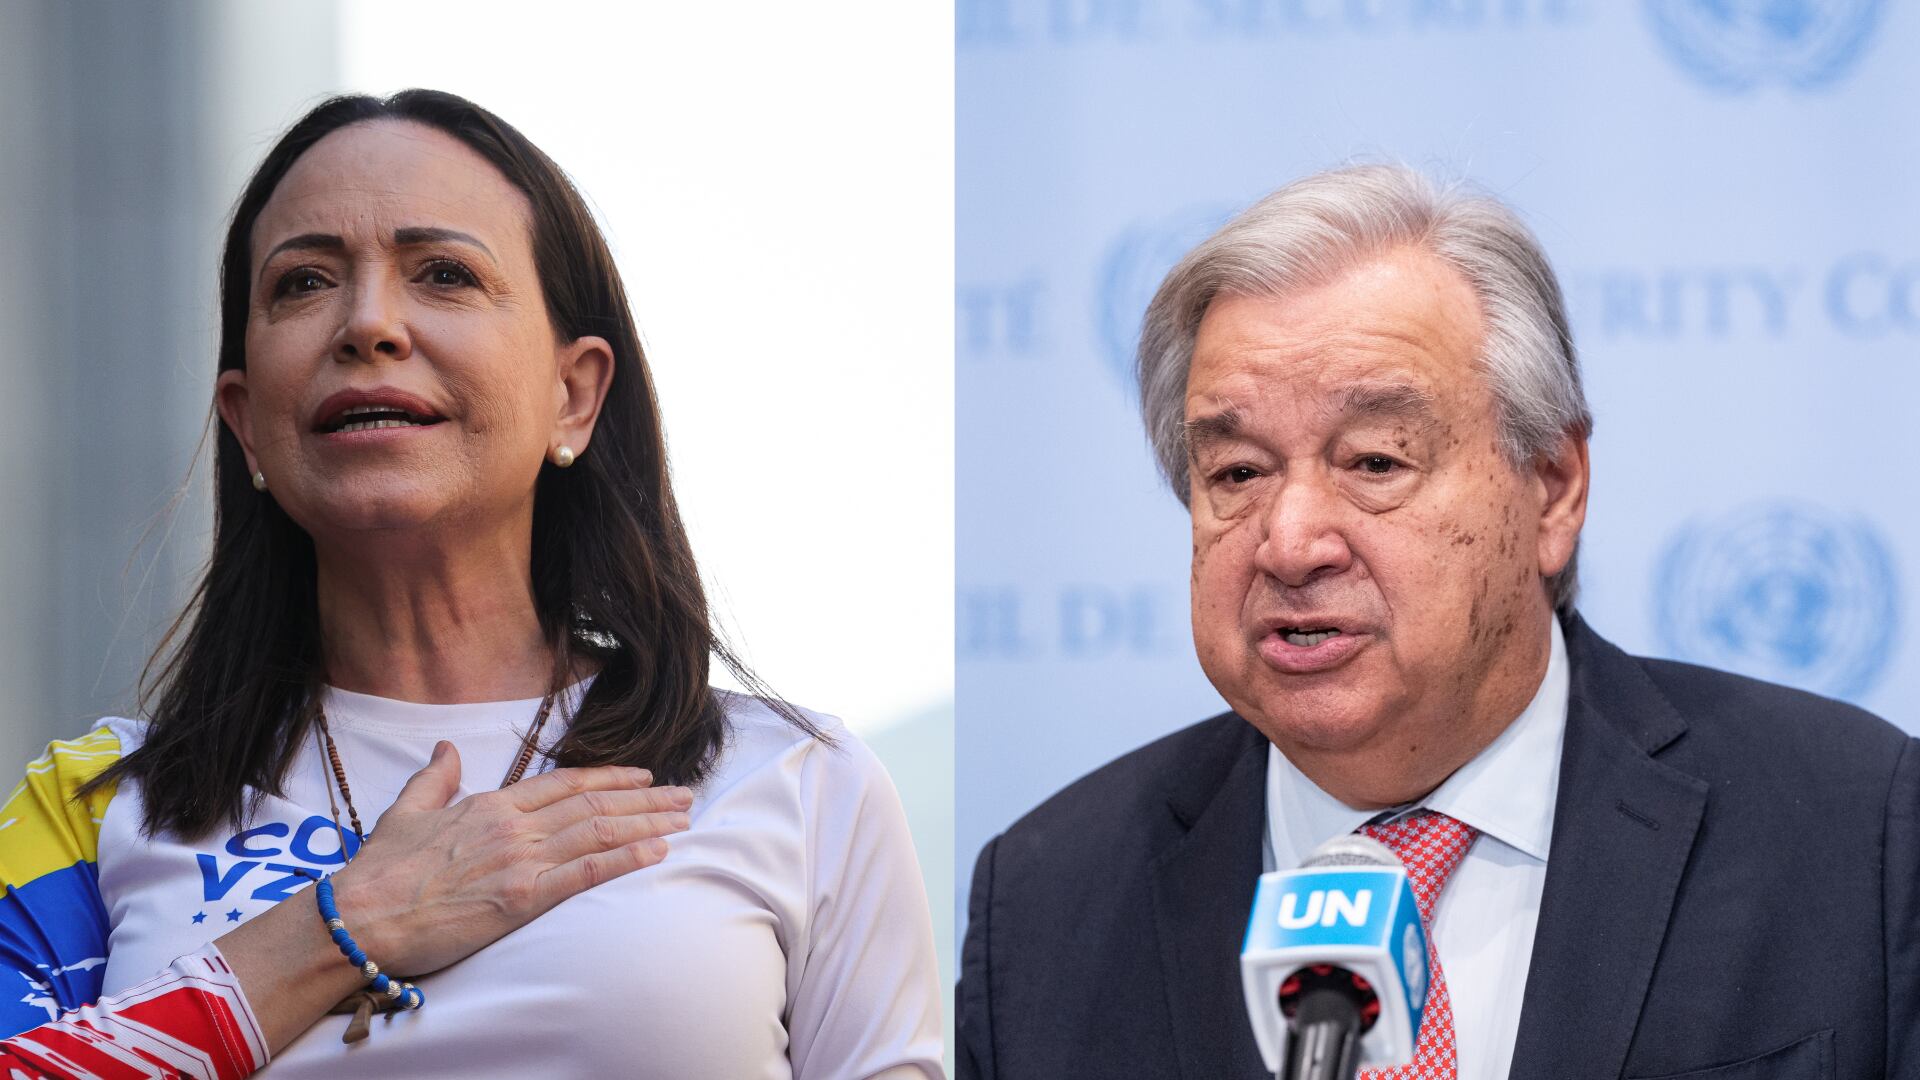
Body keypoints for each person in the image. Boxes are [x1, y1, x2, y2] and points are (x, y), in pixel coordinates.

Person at [0, 90, 942, 1079]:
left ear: (573, 395)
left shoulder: (797, 782)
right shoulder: (92, 807)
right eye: (305, 282)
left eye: (444, 274)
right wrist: (346, 924)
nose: (368, 324)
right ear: (245, 421)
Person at [957, 164, 1919, 1079]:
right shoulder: (1045, 910)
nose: (1290, 544)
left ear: (1552, 489)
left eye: (1376, 461)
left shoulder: (1854, 831)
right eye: (1238, 473)